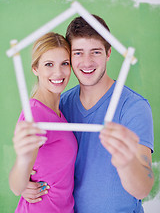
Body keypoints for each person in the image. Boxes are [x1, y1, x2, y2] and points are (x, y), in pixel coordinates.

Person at [19, 15, 154, 213]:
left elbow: (143, 188)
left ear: (108, 53)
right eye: (78, 53)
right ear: (69, 57)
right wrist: (26, 183)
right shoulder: (60, 107)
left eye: (96, 52)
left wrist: (126, 164)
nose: (87, 62)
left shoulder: (133, 107)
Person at [9, 32, 78, 213]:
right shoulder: (34, 114)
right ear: (35, 68)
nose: (58, 72)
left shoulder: (59, 112)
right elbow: (16, 185)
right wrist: (23, 178)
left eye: (65, 63)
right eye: (49, 64)